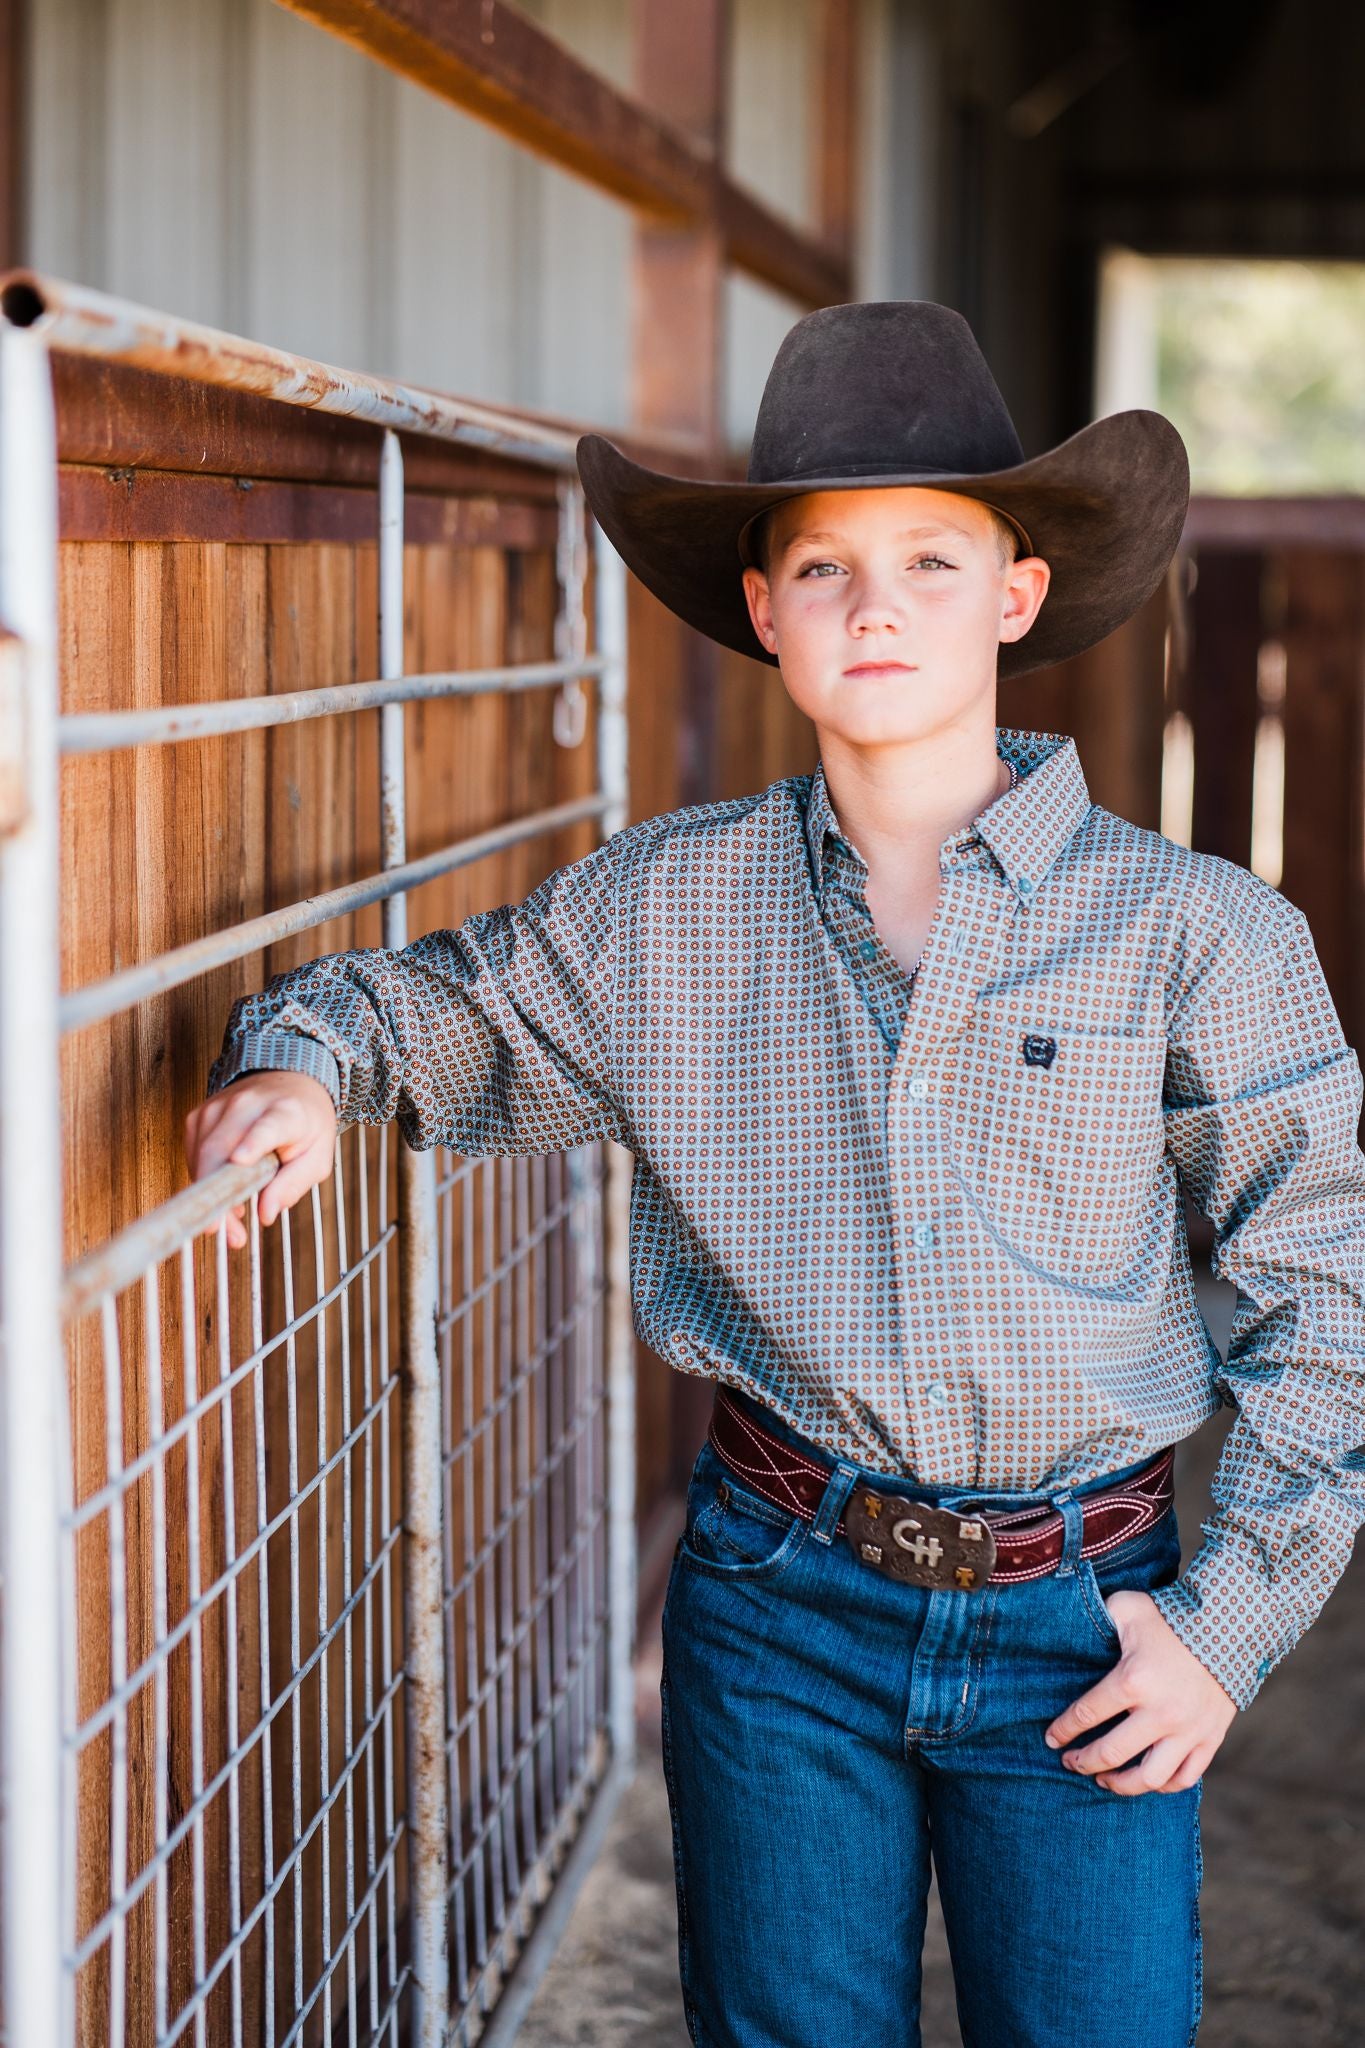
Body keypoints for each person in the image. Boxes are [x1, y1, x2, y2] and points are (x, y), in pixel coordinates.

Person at [184, 300, 1365, 2048]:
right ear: (760, 610)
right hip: (775, 1603)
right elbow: (431, 1012)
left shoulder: (1197, 935)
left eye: (929, 560)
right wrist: (302, 1059)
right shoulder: (665, 910)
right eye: (819, 569)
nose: (872, 605)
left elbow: (1322, 1296)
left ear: (1018, 595)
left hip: (1091, 1617)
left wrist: (1225, 1624)